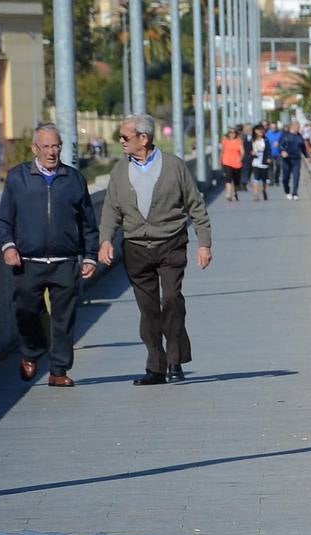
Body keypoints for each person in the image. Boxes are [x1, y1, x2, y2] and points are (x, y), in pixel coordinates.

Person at [98, 114, 213, 386]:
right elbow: (110, 210)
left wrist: (204, 243)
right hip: (136, 248)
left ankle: (175, 358)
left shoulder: (174, 167)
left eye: (125, 137)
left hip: (171, 242)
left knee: (172, 299)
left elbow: (196, 206)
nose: (121, 141)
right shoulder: (119, 171)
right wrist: (105, 240)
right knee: (148, 310)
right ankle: (156, 367)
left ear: (144, 138)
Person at [0, 123, 99, 387]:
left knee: (64, 319)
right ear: (35, 149)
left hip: (64, 262)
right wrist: (8, 246)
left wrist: (90, 256)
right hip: (28, 262)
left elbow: (88, 222)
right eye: (47, 147)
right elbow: (3, 220)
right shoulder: (18, 178)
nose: (52, 152)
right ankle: (31, 351)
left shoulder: (73, 179)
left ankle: (58, 371)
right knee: (26, 312)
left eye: (56, 146)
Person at [279, 120, 308, 199]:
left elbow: (303, 147)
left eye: (298, 127)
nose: (298, 128)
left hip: (296, 159)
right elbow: (280, 145)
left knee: (296, 176)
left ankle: (295, 193)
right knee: (286, 177)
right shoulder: (285, 135)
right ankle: (287, 190)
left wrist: (307, 156)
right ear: (292, 127)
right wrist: (282, 151)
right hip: (287, 159)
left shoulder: (299, 136)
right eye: (297, 127)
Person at [220, 127, 243, 202]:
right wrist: (220, 160)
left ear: (236, 133)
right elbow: (222, 151)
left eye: (233, 132)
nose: (232, 134)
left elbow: (242, 152)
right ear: (228, 133)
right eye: (230, 132)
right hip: (227, 162)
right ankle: (228, 194)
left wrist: (240, 158)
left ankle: (235, 193)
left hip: (236, 163)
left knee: (236, 180)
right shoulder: (225, 141)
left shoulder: (239, 141)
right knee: (228, 178)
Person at [249, 124, 271, 201]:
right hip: (255, 162)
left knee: (265, 180)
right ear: (255, 131)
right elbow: (247, 149)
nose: (261, 131)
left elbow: (269, 150)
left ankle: (264, 191)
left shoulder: (266, 140)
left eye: (262, 130)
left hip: (264, 161)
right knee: (256, 178)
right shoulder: (252, 140)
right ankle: (256, 195)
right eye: (259, 130)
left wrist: (269, 158)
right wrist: (251, 153)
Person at [265, 120, 284, 187]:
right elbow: (265, 144)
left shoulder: (280, 134)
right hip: (270, 153)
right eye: (272, 127)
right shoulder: (267, 134)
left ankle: (277, 180)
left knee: (278, 167)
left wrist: (279, 144)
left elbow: (284, 143)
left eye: (274, 127)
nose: (273, 129)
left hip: (278, 153)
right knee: (270, 168)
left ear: (276, 128)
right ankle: (271, 181)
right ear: (270, 127)